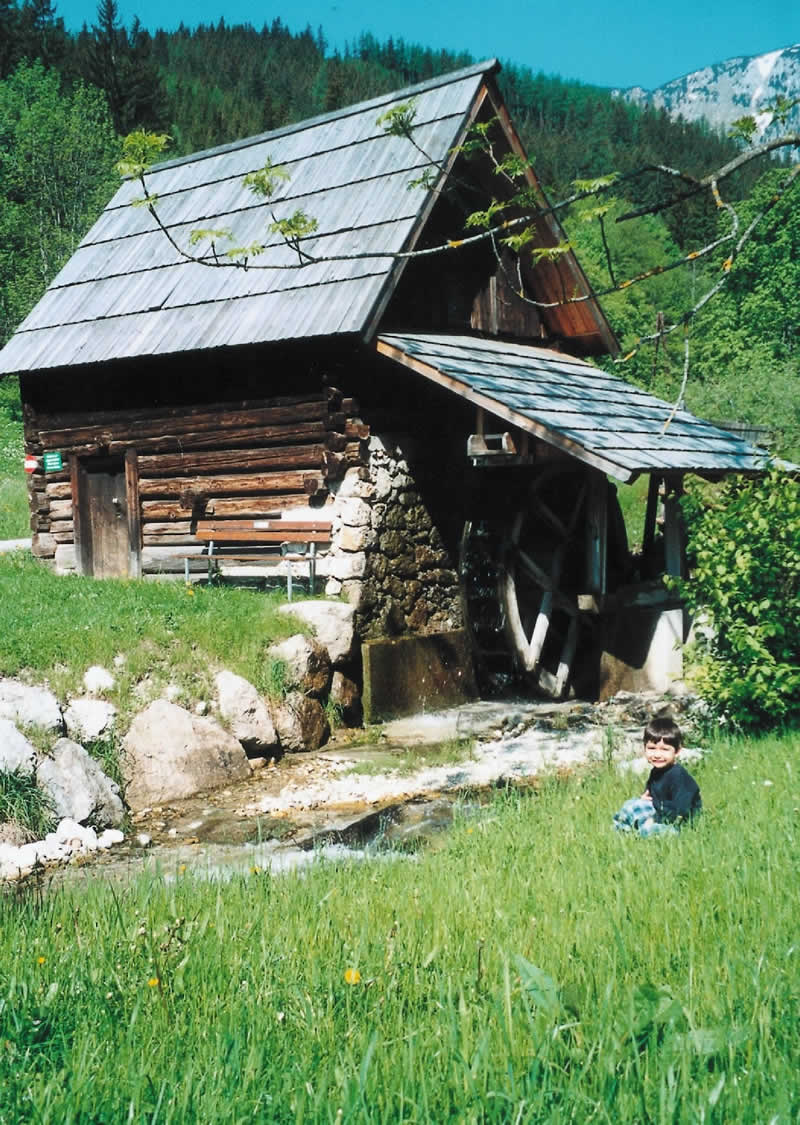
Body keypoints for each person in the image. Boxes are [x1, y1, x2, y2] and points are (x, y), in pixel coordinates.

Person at [613, 716, 701, 837]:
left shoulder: (678, 776)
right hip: (660, 808)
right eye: (652, 748)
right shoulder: (657, 770)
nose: (657, 755)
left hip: (678, 822)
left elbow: (682, 810)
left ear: (677, 751)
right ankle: (621, 834)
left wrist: (655, 819)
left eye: (665, 750)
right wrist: (645, 796)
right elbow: (652, 789)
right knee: (630, 805)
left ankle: (639, 836)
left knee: (648, 831)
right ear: (644, 748)